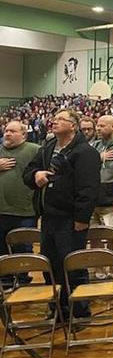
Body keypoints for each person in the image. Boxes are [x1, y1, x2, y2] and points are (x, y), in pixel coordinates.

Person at [23, 109, 101, 320]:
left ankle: (79, 311)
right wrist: (36, 174)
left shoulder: (85, 152)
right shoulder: (48, 147)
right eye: (54, 118)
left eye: (61, 119)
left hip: (70, 219)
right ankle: (58, 309)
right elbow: (28, 172)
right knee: (50, 265)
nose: (54, 122)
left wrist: (82, 219)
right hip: (48, 217)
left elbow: (89, 189)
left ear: (73, 125)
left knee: (72, 266)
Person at [0, 121, 40, 285]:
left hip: (25, 210)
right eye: (6, 131)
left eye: (12, 131)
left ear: (24, 135)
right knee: (2, 247)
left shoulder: (34, 150)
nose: (7, 134)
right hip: (1, 209)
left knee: (23, 246)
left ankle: (23, 279)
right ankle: (6, 279)